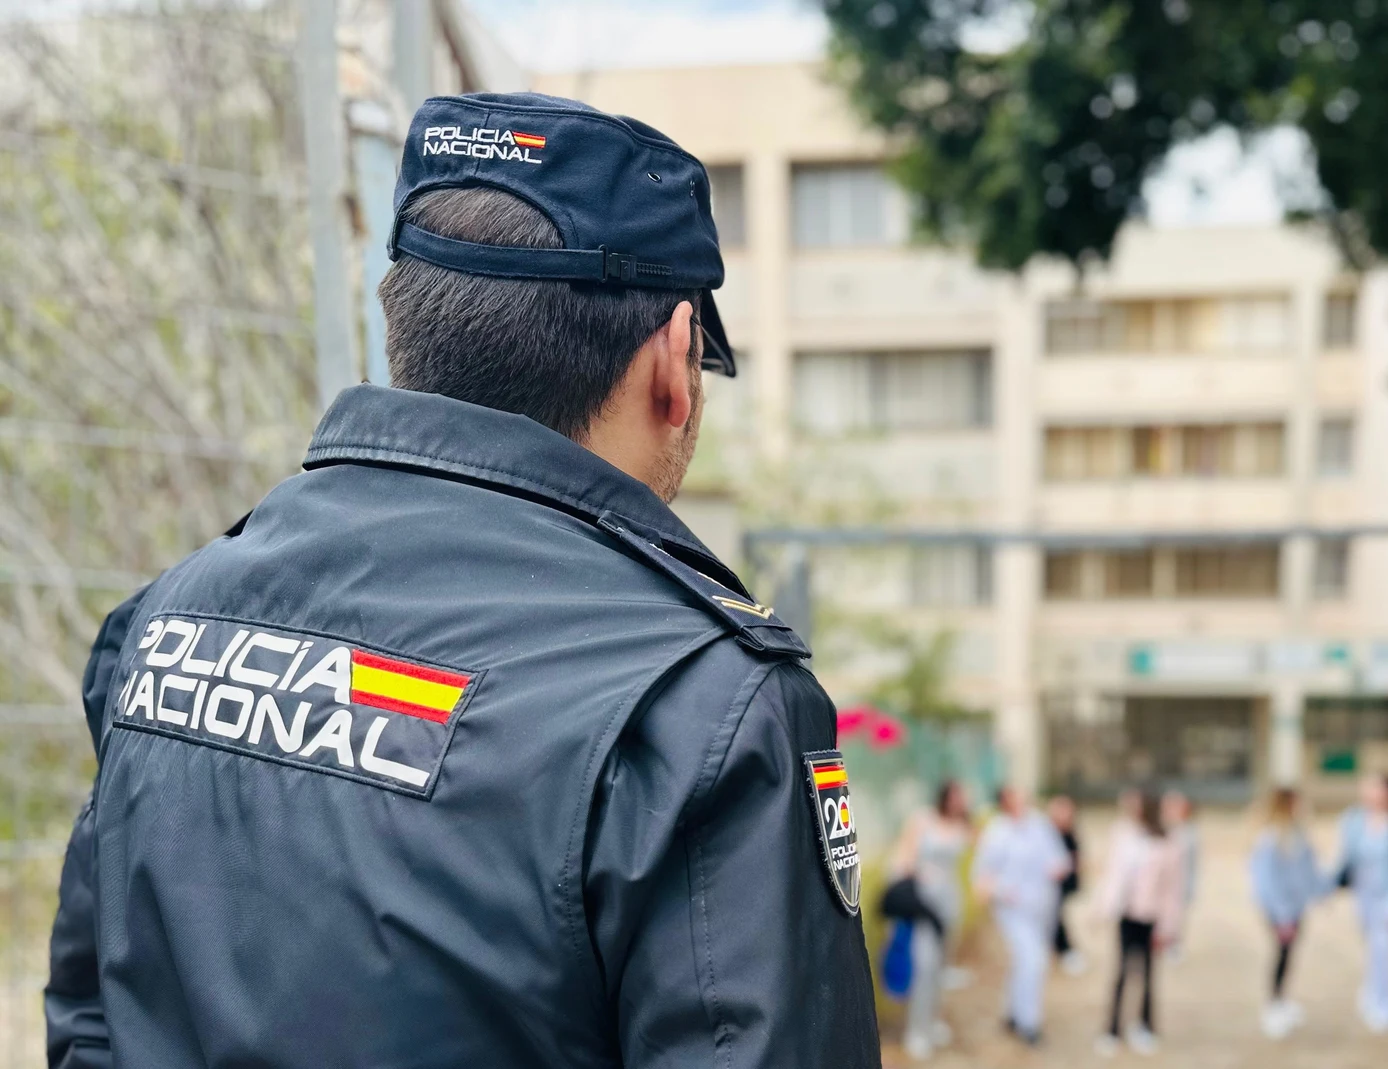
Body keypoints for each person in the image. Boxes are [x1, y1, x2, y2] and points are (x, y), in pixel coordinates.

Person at [43, 92, 880, 1068]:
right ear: (674, 357)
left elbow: (90, 1020)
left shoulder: (166, 618)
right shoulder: (706, 711)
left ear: (403, 327)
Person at [973, 785, 1071, 1046]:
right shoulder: (996, 831)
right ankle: (1030, 1022)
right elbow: (983, 873)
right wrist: (1001, 890)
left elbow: (1059, 858)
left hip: (1042, 905)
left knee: (1025, 962)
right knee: (1032, 960)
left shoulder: (1039, 824)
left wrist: (1057, 868)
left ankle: (1012, 1013)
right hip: (1012, 909)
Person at [1093, 790, 1184, 1057]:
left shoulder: (1168, 842)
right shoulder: (1123, 834)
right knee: (1121, 971)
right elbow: (1113, 874)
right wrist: (1102, 908)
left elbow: (1172, 890)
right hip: (1126, 912)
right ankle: (1112, 1029)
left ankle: (1145, 1025)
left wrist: (1169, 927)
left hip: (1150, 916)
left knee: (1147, 973)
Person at [886, 781, 972, 1061]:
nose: (963, 800)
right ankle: (916, 1031)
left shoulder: (963, 824)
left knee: (940, 968)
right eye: (959, 794)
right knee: (925, 964)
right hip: (924, 903)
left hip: (950, 901)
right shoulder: (923, 818)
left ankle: (931, 1021)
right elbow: (905, 855)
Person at [1333, 772, 1388, 1034]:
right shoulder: (1353, 820)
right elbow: (1345, 860)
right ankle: (1371, 992)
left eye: (1376, 788)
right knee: (1372, 948)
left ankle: (1385, 1003)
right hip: (1363, 897)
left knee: (1384, 949)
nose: (1370, 793)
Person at [1249, 787, 1322, 1039]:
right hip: (1281, 912)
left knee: (1289, 955)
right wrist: (1281, 916)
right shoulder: (1270, 838)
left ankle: (1283, 1000)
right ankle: (1273, 1005)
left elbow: (1308, 872)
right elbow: (1265, 881)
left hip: (1295, 908)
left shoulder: (1297, 834)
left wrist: (1322, 891)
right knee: (1281, 955)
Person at [1048, 794, 1087, 975]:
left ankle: (1063, 949)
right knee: (1054, 916)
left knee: (1057, 915)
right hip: (1051, 881)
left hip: (1064, 880)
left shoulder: (1070, 831)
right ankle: (1064, 949)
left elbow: (1076, 855)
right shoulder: (1048, 832)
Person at [1161, 789, 1201, 961]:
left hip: (1180, 883)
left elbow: (1192, 864)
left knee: (1177, 917)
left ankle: (1174, 944)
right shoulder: (1161, 828)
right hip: (1162, 883)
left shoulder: (1190, 832)